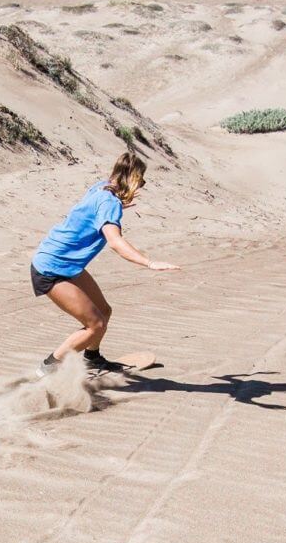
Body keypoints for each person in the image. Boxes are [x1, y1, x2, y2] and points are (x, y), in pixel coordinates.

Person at [31, 152, 179, 376]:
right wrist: (149, 263)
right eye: (142, 181)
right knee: (96, 324)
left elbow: (91, 211)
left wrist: (115, 205)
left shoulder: (102, 188)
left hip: (65, 263)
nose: (141, 186)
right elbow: (115, 242)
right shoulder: (110, 203)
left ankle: (92, 358)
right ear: (133, 178)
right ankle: (48, 369)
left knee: (103, 311)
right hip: (51, 267)